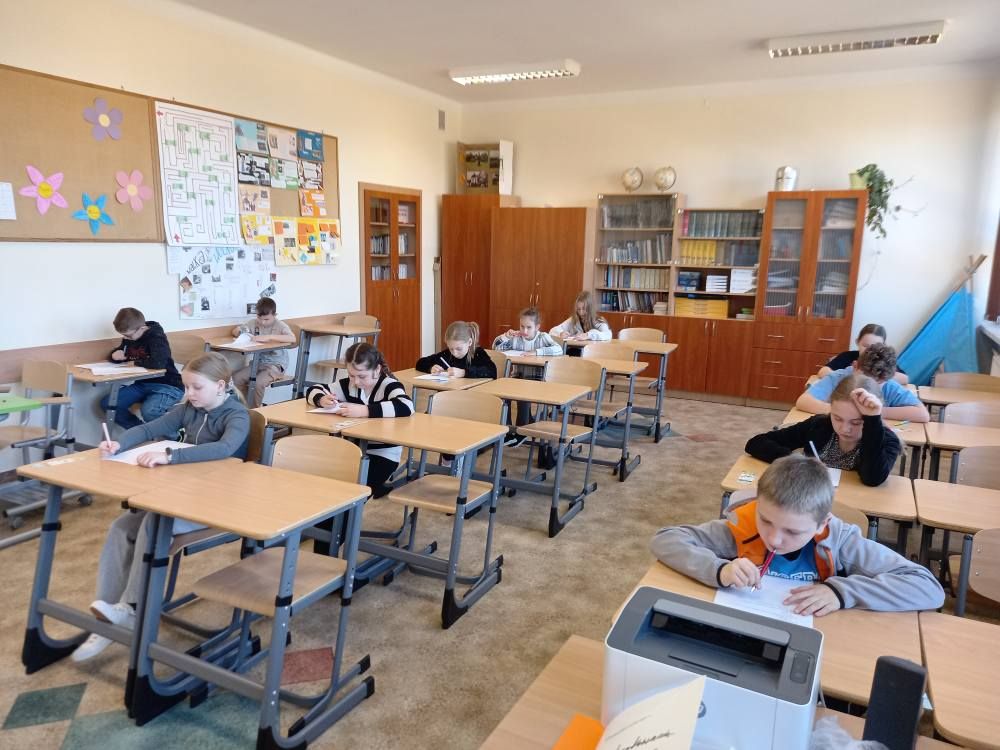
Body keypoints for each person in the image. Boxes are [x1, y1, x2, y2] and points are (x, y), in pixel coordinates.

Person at [73, 352, 250, 662]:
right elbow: (147, 429)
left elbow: (224, 448)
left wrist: (171, 456)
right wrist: (119, 444)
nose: (189, 394)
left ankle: (132, 610)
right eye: (186, 387)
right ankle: (108, 616)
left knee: (151, 525)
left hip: (216, 503)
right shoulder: (189, 409)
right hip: (182, 495)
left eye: (196, 387)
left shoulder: (236, 415)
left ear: (221, 386)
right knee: (120, 527)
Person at [650, 454, 944, 615]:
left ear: (822, 523)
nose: (774, 539)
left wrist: (842, 592)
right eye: (766, 520)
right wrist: (719, 570)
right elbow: (665, 539)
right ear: (757, 504)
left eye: (792, 531)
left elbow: (928, 587)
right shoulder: (742, 527)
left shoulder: (841, 541)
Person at [306, 343, 413, 510]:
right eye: (351, 375)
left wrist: (364, 410)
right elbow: (314, 389)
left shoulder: (389, 385)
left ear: (377, 370)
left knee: (351, 499)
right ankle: (328, 524)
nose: (356, 381)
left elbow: (406, 406)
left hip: (382, 455)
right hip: (351, 451)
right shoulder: (347, 385)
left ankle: (340, 525)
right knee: (329, 493)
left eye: (362, 376)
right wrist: (321, 399)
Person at [747, 373, 900, 486]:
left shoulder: (886, 440)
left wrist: (873, 421)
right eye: (837, 418)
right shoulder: (819, 425)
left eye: (856, 423)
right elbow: (756, 443)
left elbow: (873, 478)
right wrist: (797, 462)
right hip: (808, 503)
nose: (845, 429)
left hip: (852, 510)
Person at [797, 343, 929, 423]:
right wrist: (844, 411)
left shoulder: (889, 385)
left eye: (877, 384)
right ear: (855, 366)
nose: (869, 388)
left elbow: (922, 414)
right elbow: (803, 401)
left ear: (888, 378)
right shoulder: (838, 377)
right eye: (864, 379)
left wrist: (875, 412)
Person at [493, 306, 563, 447]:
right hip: (517, 376)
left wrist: (536, 352)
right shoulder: (516, 338)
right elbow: (496, 347)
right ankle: (507, 430)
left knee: (523, 393)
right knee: (502, 393)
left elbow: (558, 349)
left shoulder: (543, 337)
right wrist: (506, 336)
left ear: (537, 327)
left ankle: (522, 430)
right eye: (522, 326)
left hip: (537, 380)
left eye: (529, 327)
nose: (524, 331)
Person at [103, 307, 184, 428]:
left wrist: (134, 363)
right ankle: (141, 432)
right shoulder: (130, 336)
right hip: (142, 385)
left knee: (149, 411)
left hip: (168, 386)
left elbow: (159, 363)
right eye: (123, 336)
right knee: (108, 404)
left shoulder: (157, 337)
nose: (126, 339)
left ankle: (175, 436)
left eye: (128, 336)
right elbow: (123, 353)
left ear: (142, 328)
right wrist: (114, 356)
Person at [230, 296, 296, 405]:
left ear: (275, 315)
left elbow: (292, 338)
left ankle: (255, 410)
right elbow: (235, 331)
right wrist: (240, 332)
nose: (262, 322)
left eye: (266, 319)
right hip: (258, 363)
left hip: (275, 365)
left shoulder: (280, 325)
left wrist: (269, 337)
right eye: (259, 318)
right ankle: (243, 407)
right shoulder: (254, 323)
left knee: (258, 383)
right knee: (236, 378)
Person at [819, 323, 907, 384]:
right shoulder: (847, 356)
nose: (869, 350)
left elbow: (904, 378)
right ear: (857, 342)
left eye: (875, 346)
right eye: (865, 346)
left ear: (883, 346)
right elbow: (823, 371)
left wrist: (877, 377)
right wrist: (851, 377)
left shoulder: (883, 360)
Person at [415, 321, 497, 380]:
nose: (454, 353)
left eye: (459, 349)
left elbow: (492, 371)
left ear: (469, 342)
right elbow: (420, 362)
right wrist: (431, 368)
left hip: (473, 394)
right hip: (450, 394)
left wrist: (464, 372)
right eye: (451, 348)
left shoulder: (478, 353)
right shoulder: (446, 354)